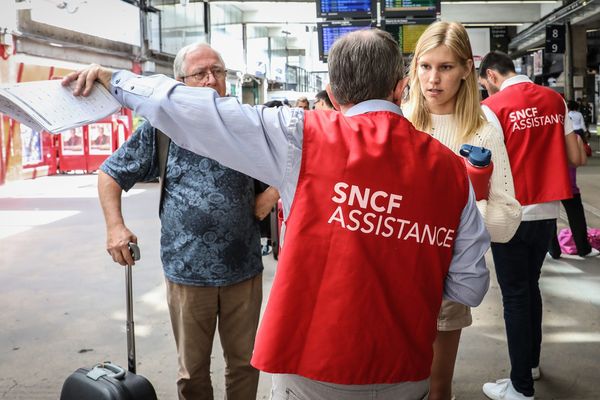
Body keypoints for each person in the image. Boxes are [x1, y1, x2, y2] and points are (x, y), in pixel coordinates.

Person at [65, 29, 491, 400]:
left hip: (312, 367)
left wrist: (114, 79)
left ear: (335, 91)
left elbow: (201, 112)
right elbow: (469, 287)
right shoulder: (452, 170)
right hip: (406, 369)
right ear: (401, 88)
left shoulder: (302, 136)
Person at [96, 43, 278, 400]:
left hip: (244, 269)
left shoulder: (245, 122)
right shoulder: (162, 129)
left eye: (218, 72)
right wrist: (115, 226)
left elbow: (291, 159)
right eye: (200, 74)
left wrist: (269, 196)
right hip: (187, 272)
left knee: (245, 363)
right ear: (179, 83)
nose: (212, 81)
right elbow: (110, 173)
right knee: (192, 371)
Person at [403, 22, 521, 400]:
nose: (432, 79)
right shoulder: (400, 120)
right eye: (425, 66)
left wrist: (467, 203)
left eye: (446, 67)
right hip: (396, 269)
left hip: (449, 273)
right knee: (393, 378)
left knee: (438, 386)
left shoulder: (484, 127)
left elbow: (505, 223)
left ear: (467, 69)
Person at [478, 51, 584, 400]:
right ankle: (531, 365)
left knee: (514, 297)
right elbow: (574, 156)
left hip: (509, 215)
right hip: (547, 213)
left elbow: (487, 164)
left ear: (491, 76)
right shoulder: (554, 99)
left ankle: (520, 387)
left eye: (484, 85)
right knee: (529, 287)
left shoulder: (493, 108)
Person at [548, 102, 598, 259]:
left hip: (550, 186)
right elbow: (580, 161)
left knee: (549, 218)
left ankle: (553, 250)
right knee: (577, 218)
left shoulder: (546, 137)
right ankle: (583, 248)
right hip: (570, 187)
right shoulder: (575, 137)